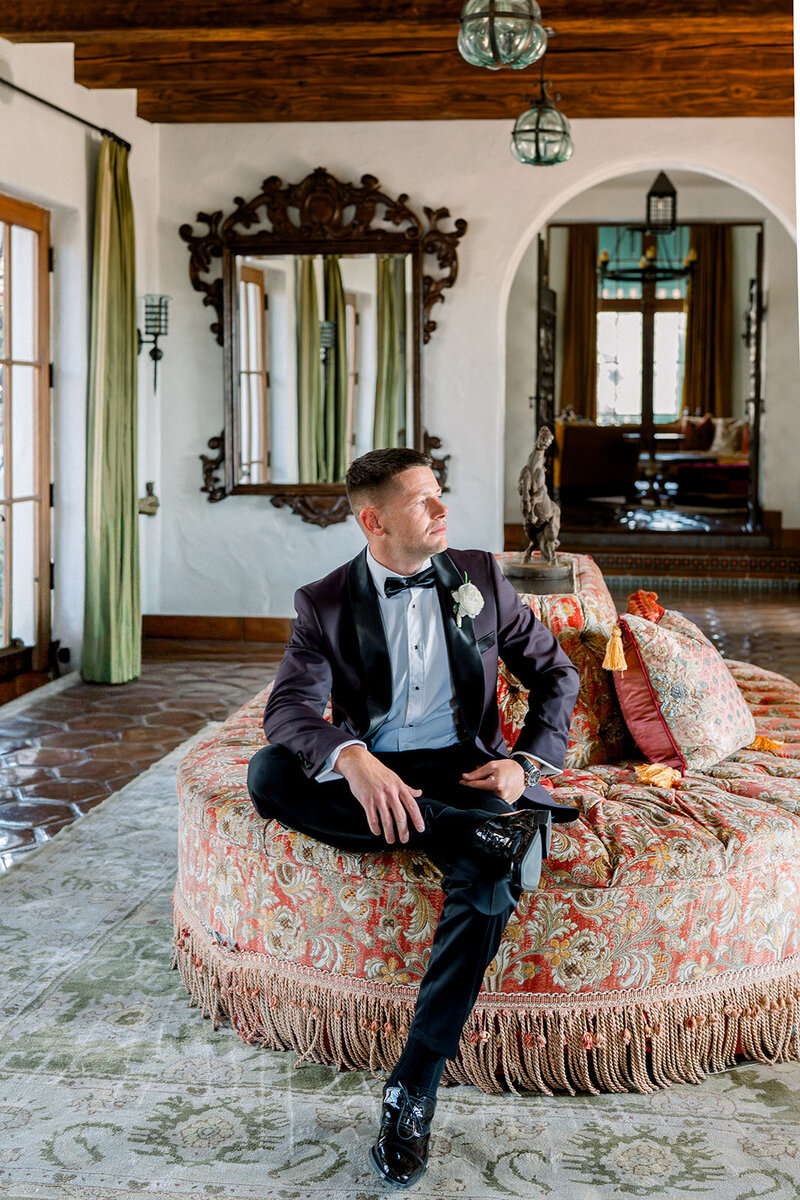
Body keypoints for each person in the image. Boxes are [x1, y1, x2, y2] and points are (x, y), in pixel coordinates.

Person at [247, 447, 580, 1189]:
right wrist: (353, 758)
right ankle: (479, 836)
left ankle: (412, 1088)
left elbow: (557, 672)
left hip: (469, 771)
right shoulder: (326, 601)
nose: (443, 511)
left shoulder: (482, 578)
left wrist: (525, 766)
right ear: (374, 521)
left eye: (441, 496)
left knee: (486, 877)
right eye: (424, 501)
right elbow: (289, 711)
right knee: (268, 773)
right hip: (383, 773)